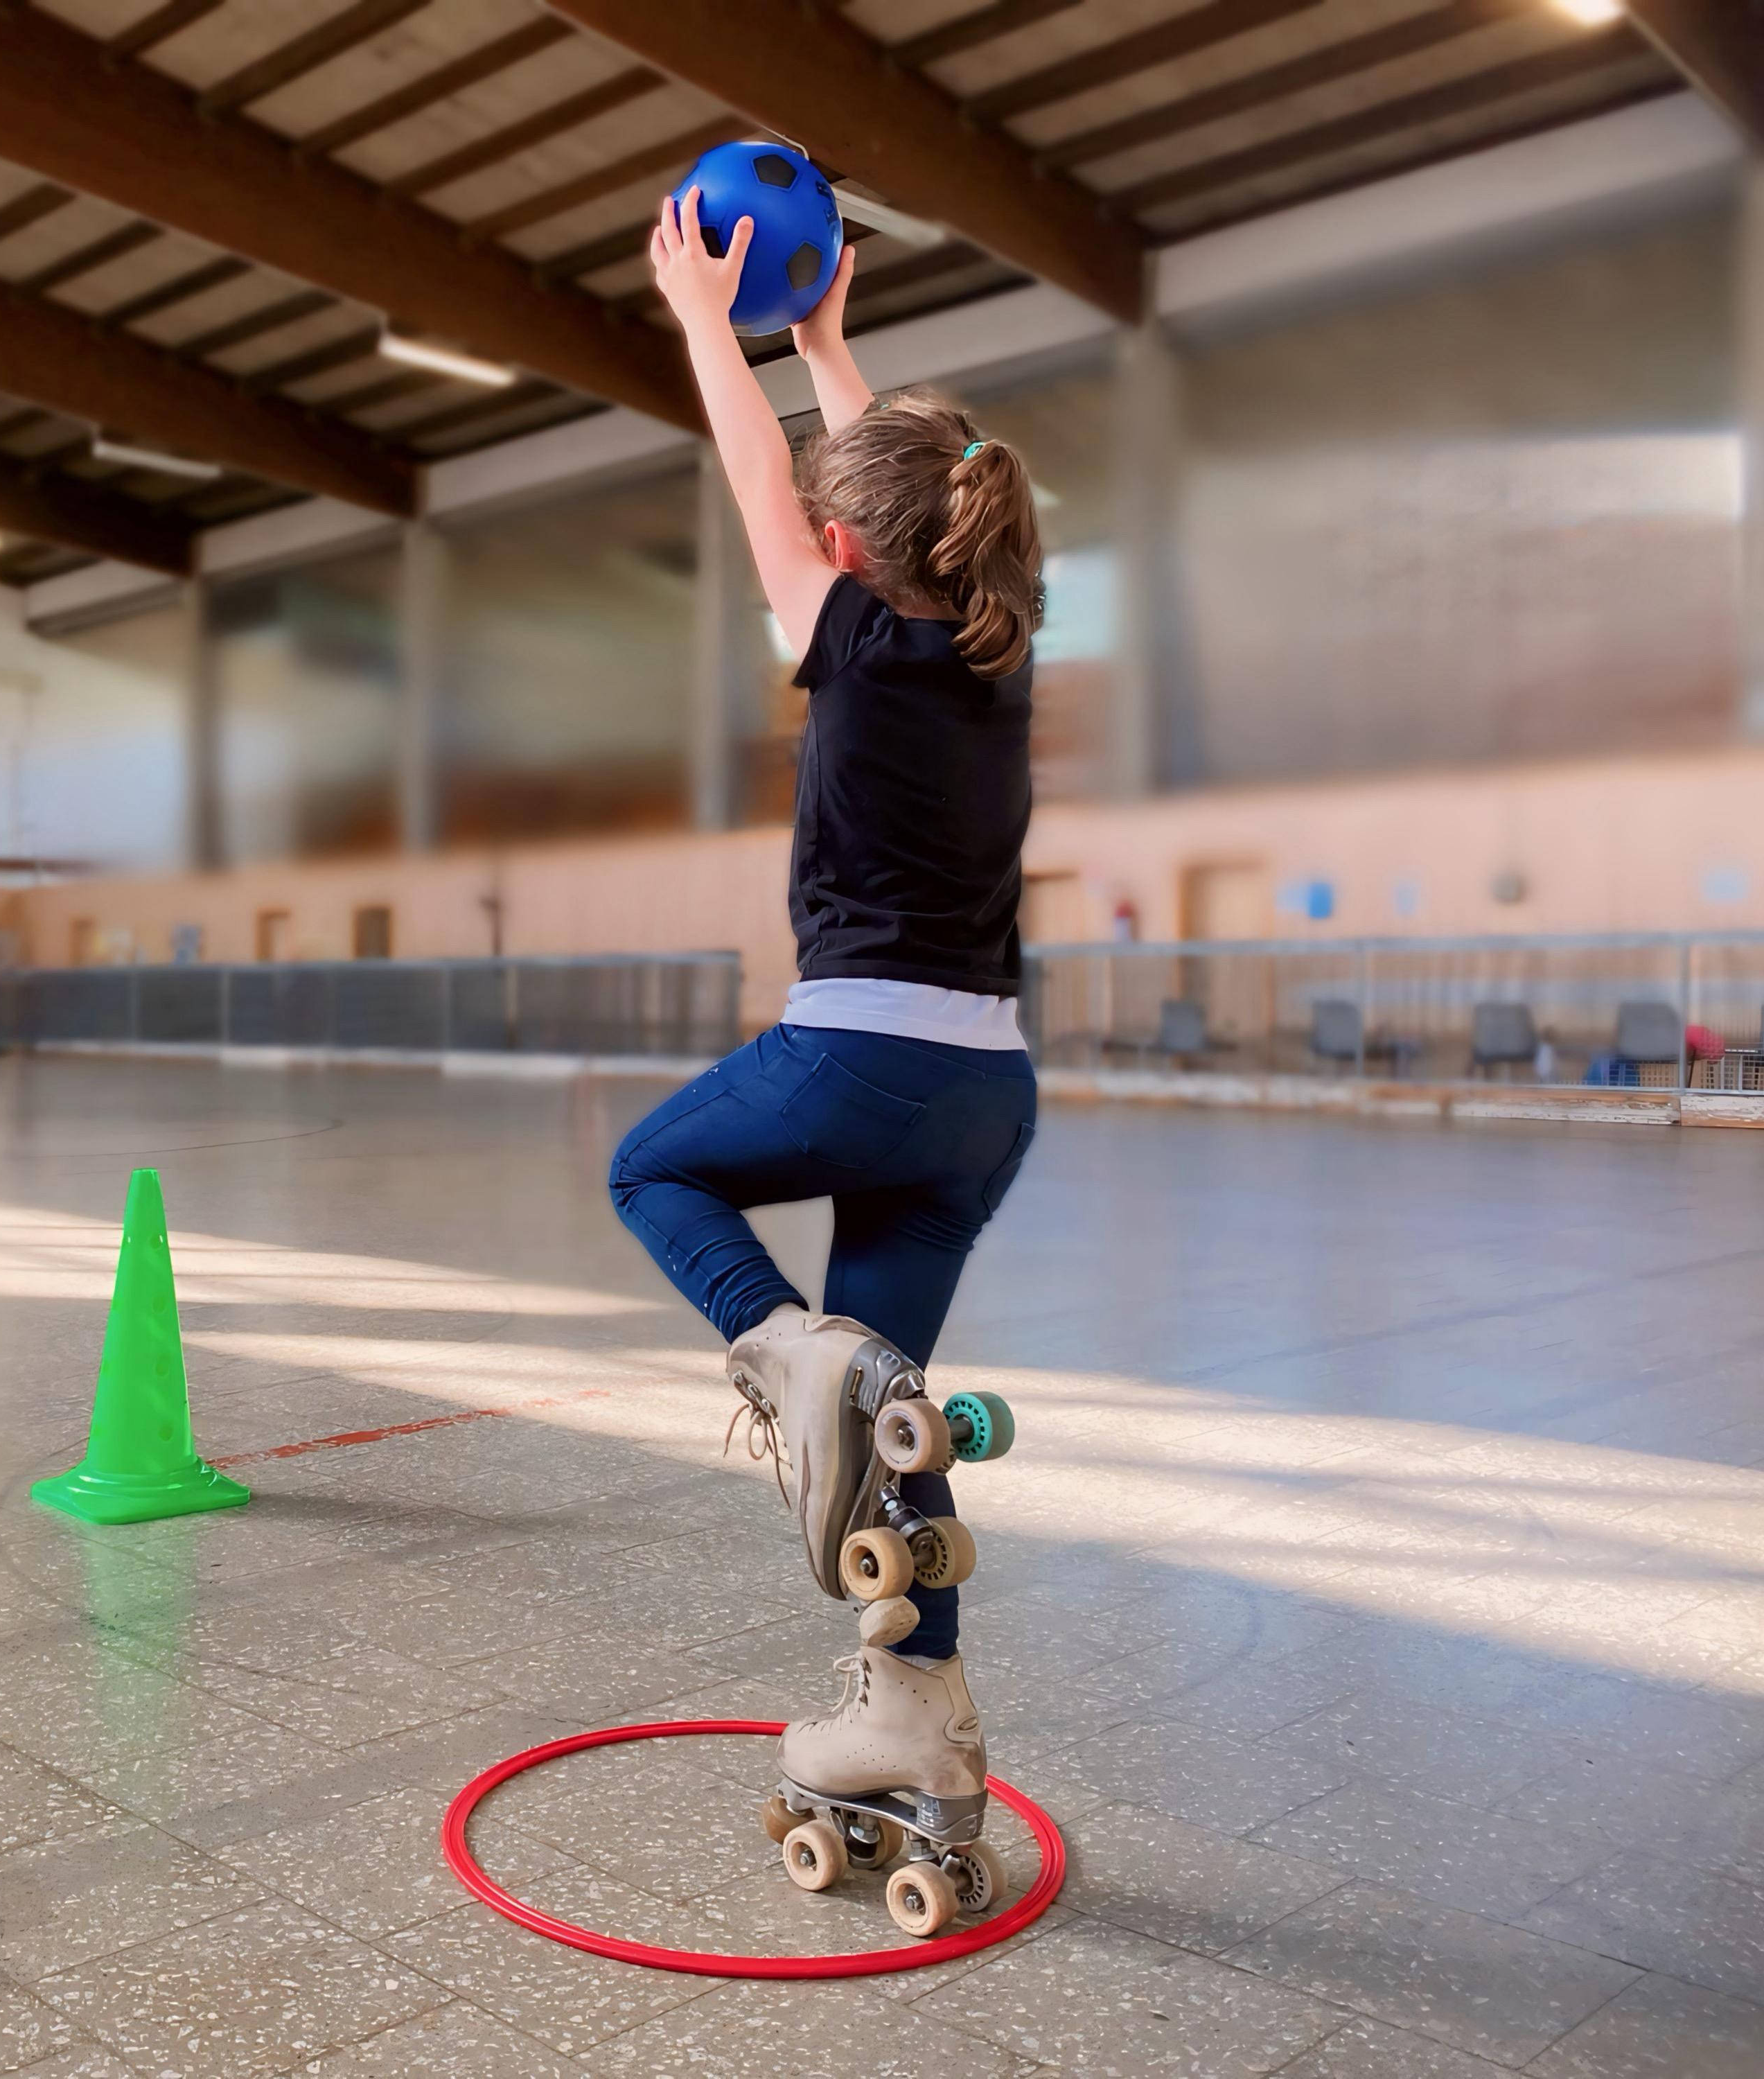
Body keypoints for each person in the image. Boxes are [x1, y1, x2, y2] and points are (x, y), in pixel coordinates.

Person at [609, 196, 1043, 1852]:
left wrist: (710, 328)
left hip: (856, 1055)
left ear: (844, 550)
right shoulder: (996, 640)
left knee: (654, 1172)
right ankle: (914, 1718)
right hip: (982, 1097)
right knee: (894, 1410)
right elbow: (893, 489)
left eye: (820, 525)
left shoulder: (846, 634)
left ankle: (779, 1354)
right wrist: (824, 343)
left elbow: (761, 486)